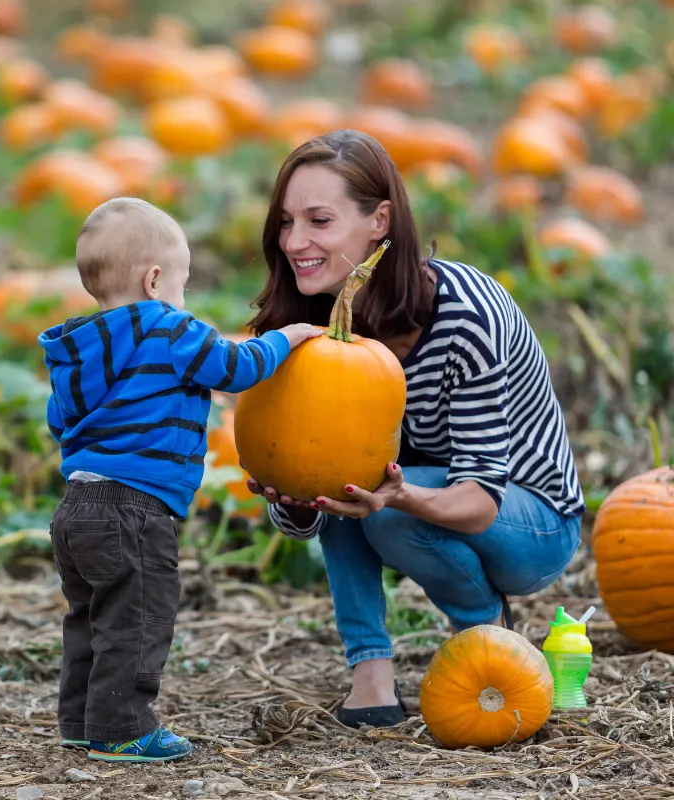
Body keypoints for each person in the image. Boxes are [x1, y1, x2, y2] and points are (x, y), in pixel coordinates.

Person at [242, 130, 585, 729]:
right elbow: (306, 508)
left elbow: (479, 501)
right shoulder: (305, 324)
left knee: (380, 501)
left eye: (319, 221)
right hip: (407, 495)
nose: (295, 242)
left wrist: (395, 495)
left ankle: (486, 632)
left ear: (379, 220)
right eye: (286, 222)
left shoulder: (467, 315)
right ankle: (369, 673)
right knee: (350, 483)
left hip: (527, 520)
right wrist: (292, 499)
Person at [39, 197, 322, 761]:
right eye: (182, 286)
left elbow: (57, 420)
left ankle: (80, 720)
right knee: (138, 617)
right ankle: (122, 729)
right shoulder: (167, 328)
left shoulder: (79, 348)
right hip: (135, 507)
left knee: (90, 618)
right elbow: (233, 369)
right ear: (154, 280)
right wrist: (287, 339)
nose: (183, 299)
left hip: (78, 506)